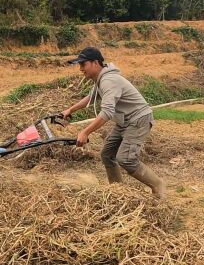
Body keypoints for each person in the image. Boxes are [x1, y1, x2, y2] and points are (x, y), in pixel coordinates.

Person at [61, 47, 165, 200]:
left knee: (126, 159)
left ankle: (157, 185)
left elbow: (107, 113)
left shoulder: (109, 81)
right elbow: (91, 98)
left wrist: (85, 132)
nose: (80, 69)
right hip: (125, 121)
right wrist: (70, 110)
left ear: (95, 63)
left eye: (83, 64)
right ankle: (118, 192)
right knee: (107, 155)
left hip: (138, 120)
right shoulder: (101, 79)